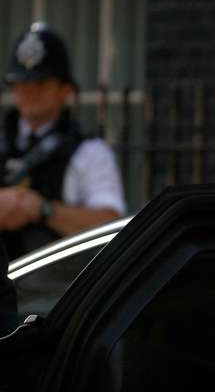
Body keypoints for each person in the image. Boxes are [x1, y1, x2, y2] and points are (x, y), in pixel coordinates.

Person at [0, 22, 126, 260]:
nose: (29, 92)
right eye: (21, 83)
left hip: (60, 290)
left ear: (65, 90)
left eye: (40, 83)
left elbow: (112, 229)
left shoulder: (91, 152)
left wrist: (43, 209)